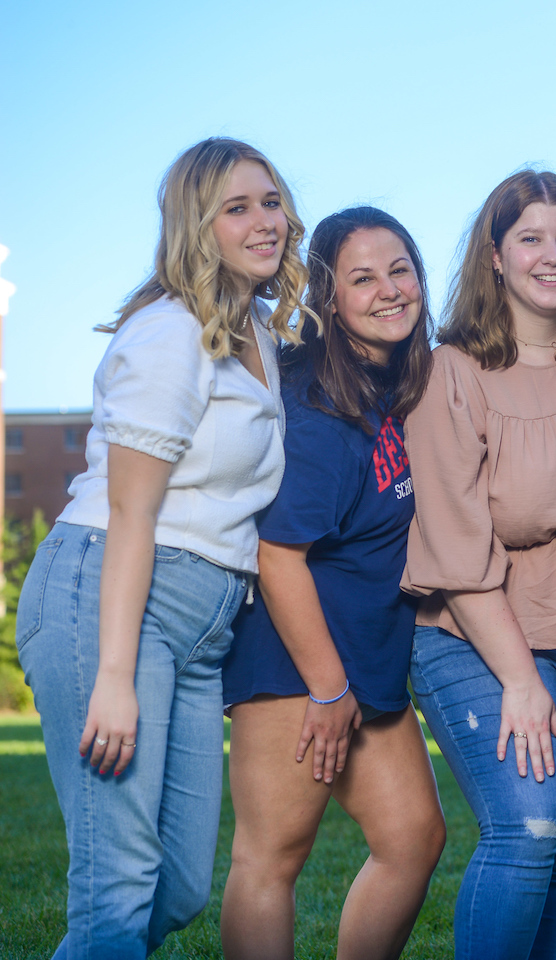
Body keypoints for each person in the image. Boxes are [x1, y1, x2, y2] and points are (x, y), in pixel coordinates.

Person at [14, 137, 307, 957]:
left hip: (199, 628)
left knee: (176, 885)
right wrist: (111, 676)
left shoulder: (256, 332)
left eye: (271, 201)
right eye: (236, 208)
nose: (263, 222)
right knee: (116, 893)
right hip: (111, 601)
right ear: (196, 225)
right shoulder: (171, 333)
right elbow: (131, 514)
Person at [401, 170, 556, 959]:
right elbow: (460, 552)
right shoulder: (450, 373)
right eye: (529, 238)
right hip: (475, 633)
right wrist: (521, 681)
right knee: (528, 826)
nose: (551, 254)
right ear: (495, 257)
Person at [219, 206, 445, 960]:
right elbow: (278, 556)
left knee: (413, 838)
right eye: (362, 278)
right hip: (300, 666)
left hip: (366, 664)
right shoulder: (317, 407)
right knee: (272, 857)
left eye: (400, 269)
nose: (388, 290)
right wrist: (325, 688)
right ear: (329, 298)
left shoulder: (393, 386)